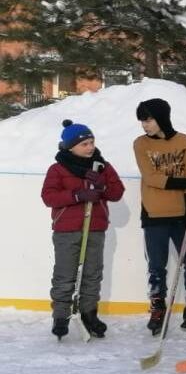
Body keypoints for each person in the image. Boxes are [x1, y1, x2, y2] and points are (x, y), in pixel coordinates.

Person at [132, 97, 186, 335]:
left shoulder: (184, 141)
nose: (145, 125)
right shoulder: (140, 144)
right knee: (157, 266)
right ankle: (158, 307)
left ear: (161, 117)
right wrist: (184, 182)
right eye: (142, 120)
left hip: (182, 215)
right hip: (154, 214)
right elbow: (151, 178)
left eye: (148, 119)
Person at [41, 120, 125, 339]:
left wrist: (101, 186)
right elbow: (48, 197)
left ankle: (90, 314)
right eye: (84, 144)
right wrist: (77, 195)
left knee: (92, 275)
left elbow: (117, 193)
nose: (90, 147)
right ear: (70, 147)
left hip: (95, 228)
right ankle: (61, 317)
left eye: (91, 142)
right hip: (67, 230)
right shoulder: (57, 169)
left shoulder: (101, 166)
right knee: (65, 275)